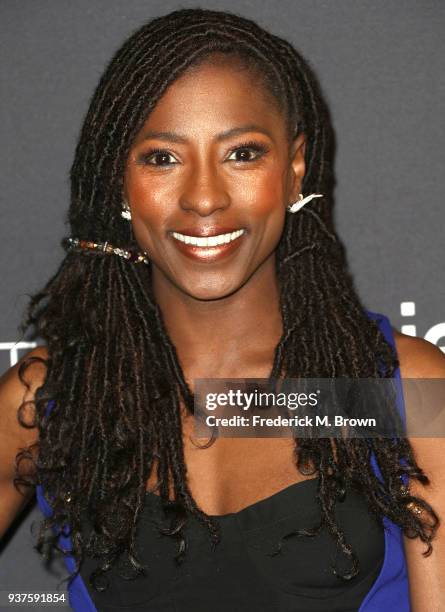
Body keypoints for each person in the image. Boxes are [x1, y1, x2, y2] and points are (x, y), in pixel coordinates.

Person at [1, 7, 444, 611]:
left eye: (242, 154)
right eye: (161, 157)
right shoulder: (54, 400)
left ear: (294, 169)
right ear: (117, 182)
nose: (204, 198)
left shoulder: (404, 389)